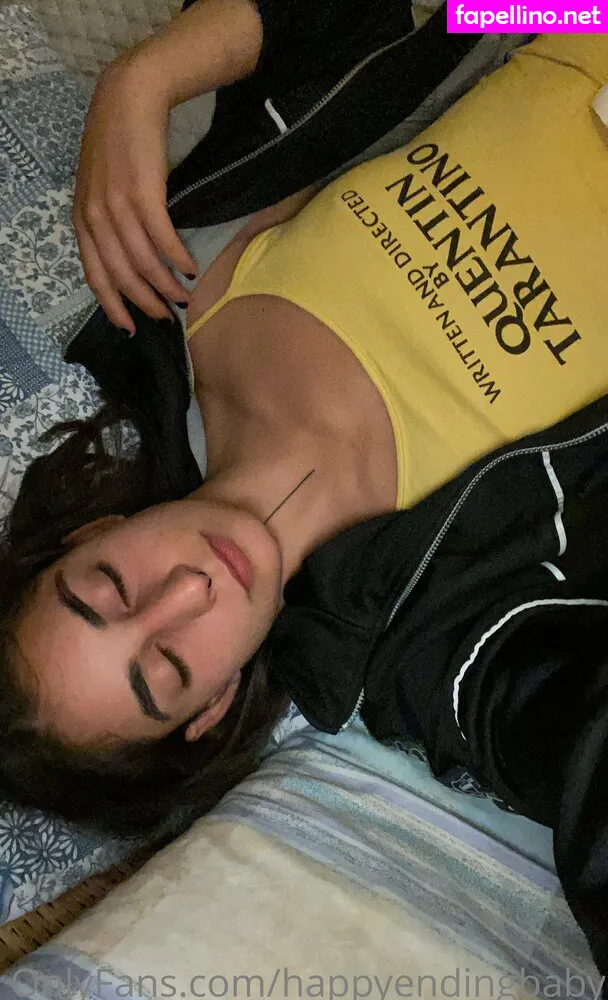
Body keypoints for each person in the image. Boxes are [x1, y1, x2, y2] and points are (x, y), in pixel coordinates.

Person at [1, 7, 608, 979]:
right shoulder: (431, 650)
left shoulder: (182, 277)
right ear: (209, 710)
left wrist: (146, 78)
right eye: (167, 666)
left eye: (110, 586)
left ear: (97, 529)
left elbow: (413, 11)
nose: (186, 591)